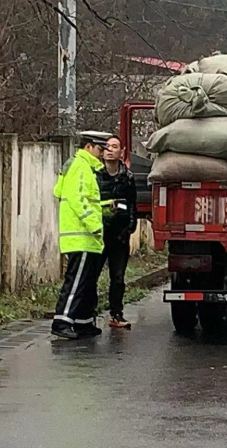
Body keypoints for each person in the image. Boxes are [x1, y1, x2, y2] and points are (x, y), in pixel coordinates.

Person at [51, 131, 112, 340]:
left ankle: (83, 322)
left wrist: (104, 207)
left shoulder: (83, 167)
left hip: (87, 237)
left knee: (87, 282)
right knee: (76, 281)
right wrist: (94, 224)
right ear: (88, 147)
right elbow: (76, 200)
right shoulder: (80, 166)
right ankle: (62, 320)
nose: (103, 154)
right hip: (83, 236)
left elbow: (86, 201)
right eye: (100, 149)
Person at [96, 135, 138, 329]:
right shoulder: (95, 174)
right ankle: (89, 313)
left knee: (118, 277)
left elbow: (132, 206)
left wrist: (129, 229)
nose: (110, 150)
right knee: (92, 275)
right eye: (107, 147)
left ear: (121, 152)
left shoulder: (127, 177)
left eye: (115, 147)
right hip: (98, 234)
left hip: (119, 235)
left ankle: (116, 314)